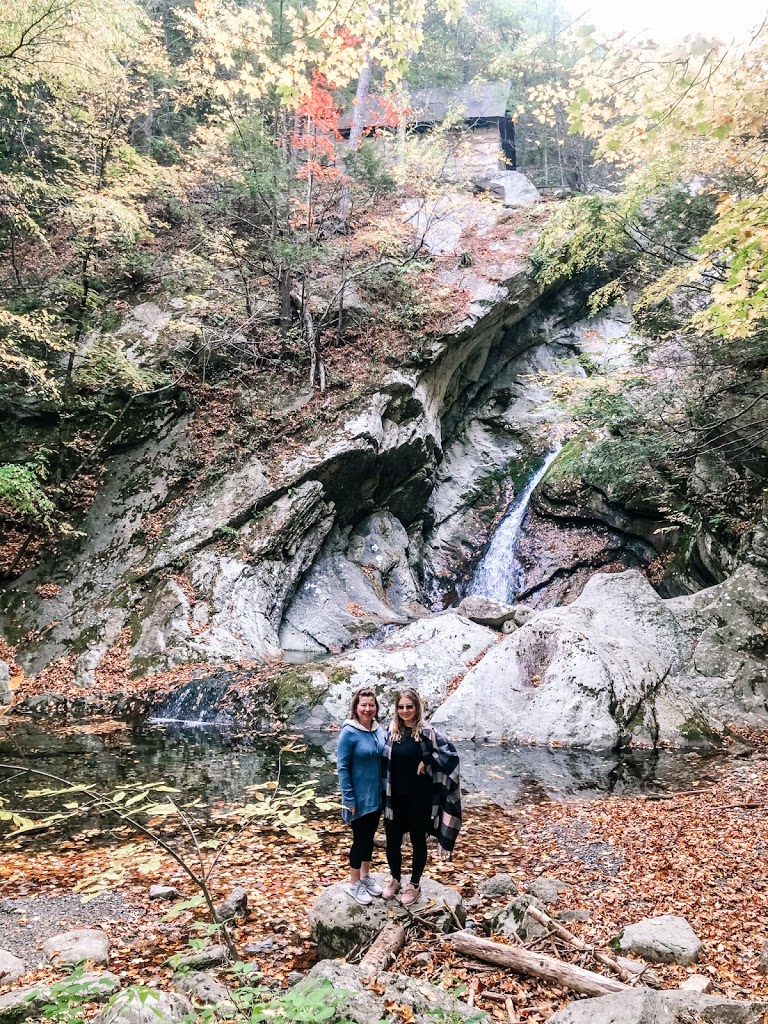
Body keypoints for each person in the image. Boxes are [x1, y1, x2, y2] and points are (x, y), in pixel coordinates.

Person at [381, 688, 462, 906]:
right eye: (401, 707)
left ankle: (414, 884)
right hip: (394, 796)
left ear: (417, 708)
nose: (405, 711)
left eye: (409, 706)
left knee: (418, 839)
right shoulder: (391, 731)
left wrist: (428, 762)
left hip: (420, 797)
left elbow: (451, 754)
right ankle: (395, 879)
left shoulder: (427, 732)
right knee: (392, 842)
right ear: (396, 709)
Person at [336, 686, 386, 906]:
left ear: (376, 707)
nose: (367, 709)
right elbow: (342, 767)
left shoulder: (379, 730)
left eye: (371, 705)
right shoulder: (349, 732)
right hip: (358, 798)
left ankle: (366, 877)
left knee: (370, 838)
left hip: (377, 796)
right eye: (363, 705)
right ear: (356, 707)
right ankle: (354, 882)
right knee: (359, 840)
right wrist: (348, 798)